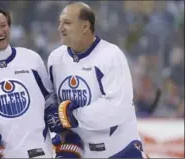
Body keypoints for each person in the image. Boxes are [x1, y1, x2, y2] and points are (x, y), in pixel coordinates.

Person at [0, 6, 82, 158]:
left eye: (3, 25)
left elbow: (49, 97)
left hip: (40, 152)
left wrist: (57, 118)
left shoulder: (31, 59)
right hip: (4, 155)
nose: (0, 31)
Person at [45, 2, 148, 158]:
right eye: (60, 23)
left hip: (120, 150)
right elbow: (52, 96)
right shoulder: (55, 59)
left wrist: (74, 115)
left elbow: (117, 107)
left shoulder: (110, 56)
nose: (60, 28)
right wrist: (51, 108)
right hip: (82, 152)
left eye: (67, 23)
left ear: (85, 26)